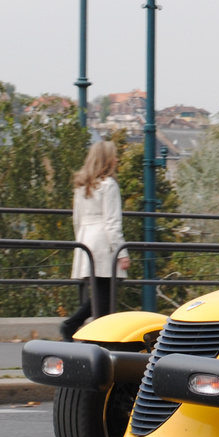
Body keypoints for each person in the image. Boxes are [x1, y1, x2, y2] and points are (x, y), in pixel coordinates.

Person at [61, 140, 129, 340]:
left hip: (86, 239)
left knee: (100, 294)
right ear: (107, 159)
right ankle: (77, 327)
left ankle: (83, 329)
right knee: (105, 296)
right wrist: (122, 251)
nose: (117, 159)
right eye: (114, 155)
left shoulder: (82, 186)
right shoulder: (109, 186)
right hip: (104, 243)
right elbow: (112, 222)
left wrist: (80, 243)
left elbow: (77, 220)